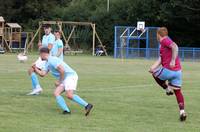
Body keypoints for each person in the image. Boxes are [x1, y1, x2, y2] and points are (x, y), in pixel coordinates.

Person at [32, 47, 93, 116]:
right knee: (56, 93)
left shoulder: (52, 60)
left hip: (70, 76)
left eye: (40, 54)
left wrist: (59, 81)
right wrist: (35, 68)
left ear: (43, 53)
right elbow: (43, 74)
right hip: (64, 77)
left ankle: (87, 105)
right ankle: (66, 111)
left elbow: (62, 70)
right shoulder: (47, 63)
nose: (39, 56)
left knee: (69, 95)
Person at [149, 27, 187, 121]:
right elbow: (161, 59)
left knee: (155, 74)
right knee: (178, 92)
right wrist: (153, 67)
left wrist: (173, 60)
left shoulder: (165, 40)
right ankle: (182, 111)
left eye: (157, 35)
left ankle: (167, 89)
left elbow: (175, 47)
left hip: (169, 70)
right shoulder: (163, 45)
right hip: (178, 72)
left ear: (158, 35)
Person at [27, 24, 55, 95]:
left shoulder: (52, 36)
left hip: (46, 58)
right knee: (31, 70)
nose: (46, 29)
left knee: (31, 70)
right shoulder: (44, 36)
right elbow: (42, 48)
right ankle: (36, 90)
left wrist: (41, 47)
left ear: (50, 29)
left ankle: (37, 88)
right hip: (42, 57)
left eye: (47, 28)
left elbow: (49, 48)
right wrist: (40, 46)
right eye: (45, 28)